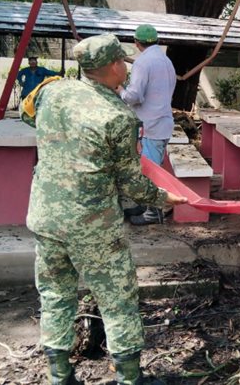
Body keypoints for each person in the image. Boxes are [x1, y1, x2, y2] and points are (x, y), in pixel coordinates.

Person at [20, 33, 187, 384]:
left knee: (55, 294)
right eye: (123, 63)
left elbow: (27, 114)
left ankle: (60, 375)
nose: (126, 68)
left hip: (46, 217)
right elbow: (130, 182)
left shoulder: (52, 91)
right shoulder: (118, 117)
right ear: (112, 65)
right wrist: (163, 197)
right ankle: (129, 377)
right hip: (92, 224)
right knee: (117, 299)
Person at [118, 24, 177, 225]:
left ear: (136, 42)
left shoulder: (143, 62)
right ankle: (146, 205)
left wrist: (120, 91)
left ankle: (154, 212)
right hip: (161, 122)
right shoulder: (166, 61)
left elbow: (135, 96)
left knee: (151, 171)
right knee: (152, 167)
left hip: (151, 125)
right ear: (156, 40)